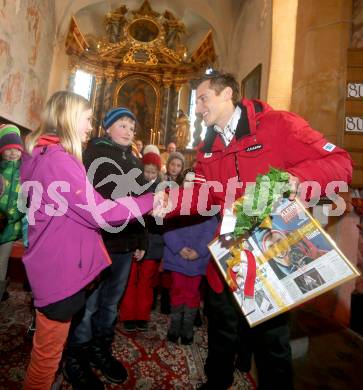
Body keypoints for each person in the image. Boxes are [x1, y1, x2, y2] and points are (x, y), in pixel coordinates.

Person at [167, 71, 353, 389]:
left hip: (270, 251)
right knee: (221, 327)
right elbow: (205, 194)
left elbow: (340, 163)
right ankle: (217, 381)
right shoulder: (206, 147)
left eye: (202, 99)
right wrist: (164, 203)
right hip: (227, 252)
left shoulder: (278, 125)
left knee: (271, 341)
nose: (197, 109)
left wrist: (295, 179)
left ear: (227, 93)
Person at [20, 91, 157, 390]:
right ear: (69, 118)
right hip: (65, 264)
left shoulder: (49, 154)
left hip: (79, 254)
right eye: (87, 119)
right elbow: (100, 211)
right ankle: (76, 360)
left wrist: (141, 228)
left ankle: (93, 353)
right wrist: (151, 201)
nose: (88, 126)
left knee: (99, 313)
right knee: (48, 357)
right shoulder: (64, 159)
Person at [63, 106, 152, 389]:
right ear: (108, 128)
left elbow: (141, 206)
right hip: (98, 242)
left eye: (131, 127)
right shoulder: (94, 154)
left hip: (125, 246)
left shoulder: (135, 162)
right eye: (123, 125)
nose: (128, 131)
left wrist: (141, 241)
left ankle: (100, 349)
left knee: (111, 304)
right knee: (89, 305)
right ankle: (77, 355)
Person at [163, 171, 217, 345]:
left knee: (192, 294)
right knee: (177, 291)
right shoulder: (174, 202)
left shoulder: (206, 205)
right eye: (187, 181)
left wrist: (199, 251)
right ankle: (175, 326)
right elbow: (167, 227)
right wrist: (179, 248)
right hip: (177, 258)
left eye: (194, 183)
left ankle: (187, 329)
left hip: (197, 260)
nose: (190, 185)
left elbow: (210, 231)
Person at [119, 145, 164, 332]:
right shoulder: (133, 186)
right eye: (147, 171)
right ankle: (128, 315)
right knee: (130, 278)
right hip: (134, 237)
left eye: (154, 172)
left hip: (152, 240)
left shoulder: (163, 189)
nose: (150, 175)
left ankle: (142, 315)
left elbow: (163, 220)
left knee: (146, 280)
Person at [0, 124, 24, 301]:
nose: (13, 153)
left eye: (16, 149)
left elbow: (25, 202)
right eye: (8, 149)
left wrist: (12, 216)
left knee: (2, 262)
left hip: (9, 228)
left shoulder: (24, 173)